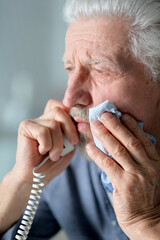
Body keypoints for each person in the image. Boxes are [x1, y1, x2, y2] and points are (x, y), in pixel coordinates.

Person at [1, 0, 160, 239]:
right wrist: (19, 183)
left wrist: (145, 224)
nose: (70, 97)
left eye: (100, 70)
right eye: (70, 69)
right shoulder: (62, 163)